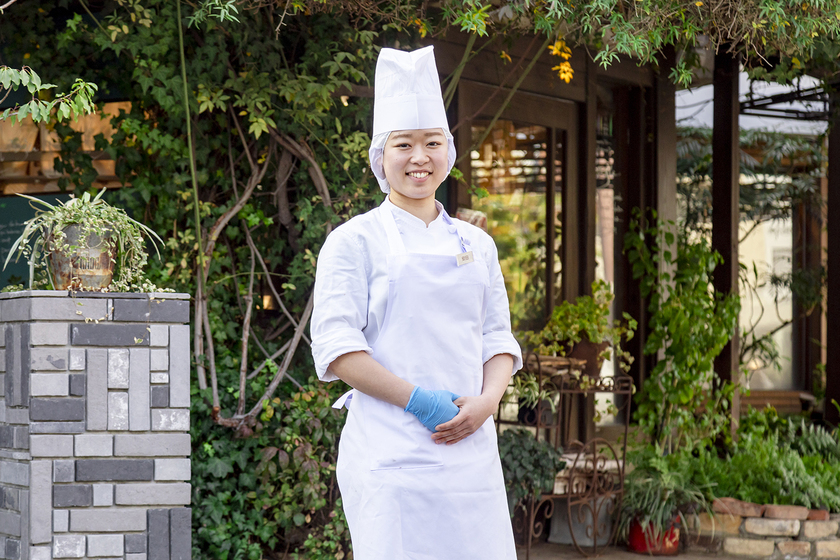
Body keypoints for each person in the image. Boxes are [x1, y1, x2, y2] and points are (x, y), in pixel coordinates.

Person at [310, 45, 523, 560]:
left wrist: (489, 401)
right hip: (391, 454)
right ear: (380, 158)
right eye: (403, 144)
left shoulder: (478, 245)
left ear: (448, 153)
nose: (419, 157)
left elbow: (497, 337)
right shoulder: (352, 242)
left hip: (470, 455)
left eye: (431, 142)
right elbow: (338, 349)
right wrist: (418, 401)